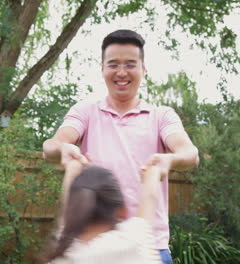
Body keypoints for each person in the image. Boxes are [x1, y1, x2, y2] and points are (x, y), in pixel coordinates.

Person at [42, 29, 199, 263]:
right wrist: (63, 148)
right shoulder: (85, 111)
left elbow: (190, 154)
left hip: (149, 246)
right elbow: (51, 146)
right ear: (102, 69)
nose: (122, 72)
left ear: (143, 69)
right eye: (113, 64)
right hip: (93, 245)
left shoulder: (161, 116)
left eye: (130, 64)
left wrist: (170, 160)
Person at [44, 160, 163, 263]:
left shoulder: (65, 252)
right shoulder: (131, 241)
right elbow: (149, 198)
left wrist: (72, 168)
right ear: (122, 212)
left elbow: (65, 220)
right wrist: (153, 173)